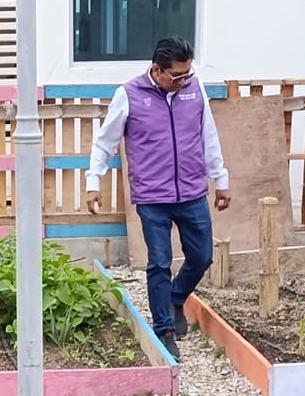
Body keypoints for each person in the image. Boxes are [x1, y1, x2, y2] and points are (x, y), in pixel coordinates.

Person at [84, 36, 231, 359]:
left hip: (192, 191)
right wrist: (93, 181)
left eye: (188, 74)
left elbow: (208, 135)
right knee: (159, 263)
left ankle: (176, 297)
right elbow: (105, 142)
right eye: (176, 76)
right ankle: (164, 329)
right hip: (152, 197)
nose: (183, 81)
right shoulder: (129, 95)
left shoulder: (195, 89)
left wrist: (221, 178)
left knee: (202, 257)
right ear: (156, 70)